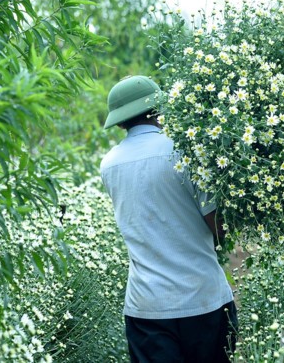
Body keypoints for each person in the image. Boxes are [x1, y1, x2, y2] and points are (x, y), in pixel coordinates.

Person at [99, 75, 237, 362]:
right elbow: (220, 228)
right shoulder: (184, 152)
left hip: (146, 307)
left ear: (121, 121)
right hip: (203, 300)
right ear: (160, 110)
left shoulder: (109, 164)